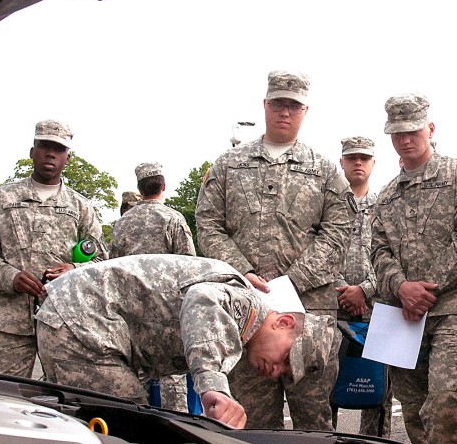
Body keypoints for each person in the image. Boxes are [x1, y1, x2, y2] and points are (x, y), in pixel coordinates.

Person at [195, 71, 352, 430]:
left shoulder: (325, 171)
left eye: (293, 106)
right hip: (246, 317)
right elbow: (207, 225)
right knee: (251, 424)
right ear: (265, 105)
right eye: (278, 103)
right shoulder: (228, 165)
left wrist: (292, 282)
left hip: (308, 315)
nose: (285, 112)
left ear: (305, 110)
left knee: (314, 424)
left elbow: (338, 231)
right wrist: (241, 272)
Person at [35, 255, 329, 428]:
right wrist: (213, 388)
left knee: (91, 421)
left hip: (81, 320)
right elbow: (201, 300)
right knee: (128, 425)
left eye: (286, 373)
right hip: (80, 317)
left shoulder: (243, 327)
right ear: (283, 322)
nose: (277, 370)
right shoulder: (246, 303)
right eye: (286, 357)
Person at [371, 93, 457, 444]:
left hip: (455, 308)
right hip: (402, 314)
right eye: (397, 133)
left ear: (430, 128)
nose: (405, 139)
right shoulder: (387, 194)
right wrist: (400, 287)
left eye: (413, 130)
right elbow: (378, 250)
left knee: (444, 404)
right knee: (414, 410)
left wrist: (425, 290)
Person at [0, 120, 107, 377]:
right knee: (4, 394)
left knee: (68, 396)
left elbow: (100, 261)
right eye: (44, 146)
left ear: (67, 157)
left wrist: (74, 269)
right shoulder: (4, 198)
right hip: (12, 322)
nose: (50, 153)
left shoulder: (81, 206)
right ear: (32, 151)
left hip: (64, 321)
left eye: (58, 148)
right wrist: (10, 277)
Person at [109, 161, 197, 411]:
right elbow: (188, 266)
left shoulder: (123, 224)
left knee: (137, 374)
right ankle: (179, 429)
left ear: (140, 188)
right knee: (173, 375)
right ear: (164, 186)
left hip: (132, 311)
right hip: (167, 311)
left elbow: (112, 267)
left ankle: (137, 427)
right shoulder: (173, 219)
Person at [332, 135, 392, 437]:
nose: (358, 162)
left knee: (377, 390)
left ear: (373, 163)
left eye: (364, 157)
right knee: (328, 384)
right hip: (335, 308)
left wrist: (365, 289)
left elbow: (393, 254)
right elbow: (319, 251)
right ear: (342, 161)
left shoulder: (386, 204)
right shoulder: (327, 204)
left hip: (376, 309)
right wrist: (344, 291)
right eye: (352, 157)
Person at [110, 162, 195, 257]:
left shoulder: (122, 222)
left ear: (139, 190)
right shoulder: (174, 218)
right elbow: (188, 259)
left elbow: (114, 260)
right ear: (164, 186)